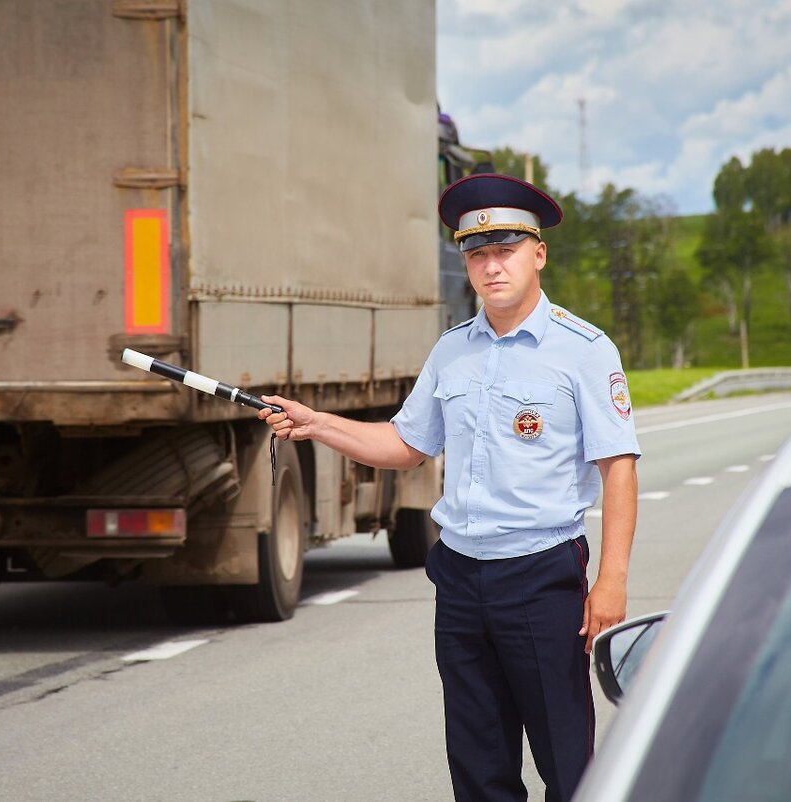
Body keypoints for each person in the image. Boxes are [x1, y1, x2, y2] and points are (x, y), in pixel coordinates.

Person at [258, 173, 641, 801]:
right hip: (461, 579)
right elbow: (406, 446)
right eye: (477, 254)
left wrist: (613, 581)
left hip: (541, 577)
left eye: (506, 250)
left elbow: (618, 466)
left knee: (568, 764)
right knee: (477, 764)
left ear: (538, 253)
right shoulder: (453, 351)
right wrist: (317, 423)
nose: (492, 267)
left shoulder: (584, 351)